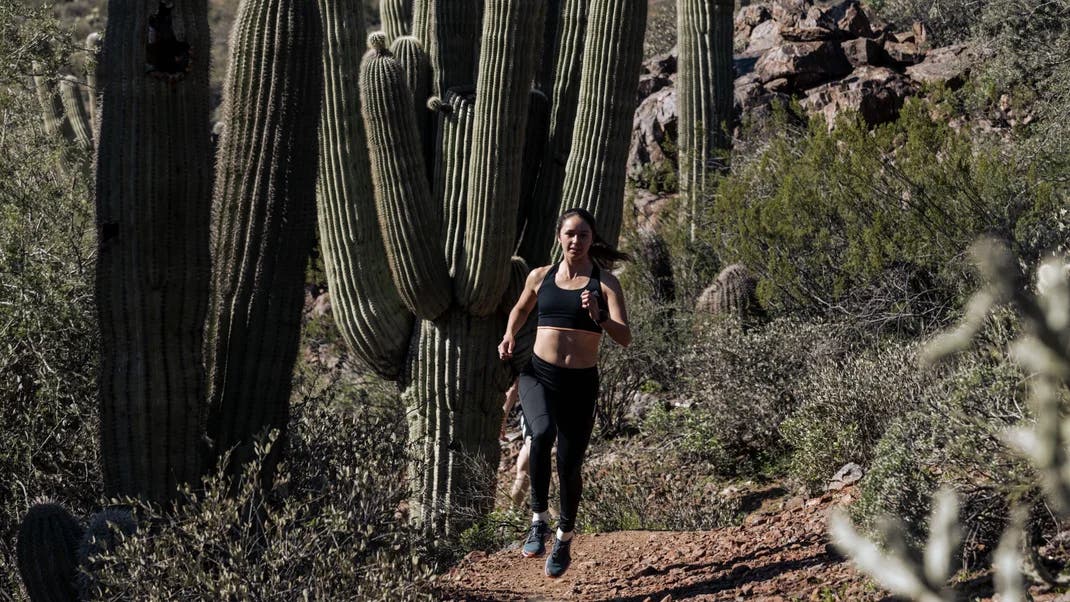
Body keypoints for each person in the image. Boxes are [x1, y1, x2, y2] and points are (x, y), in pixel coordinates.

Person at [498, 208, 632, 578]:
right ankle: (538, 520)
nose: (576, 241)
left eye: (584, 235)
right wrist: (509, 335)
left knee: (569, 466)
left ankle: (563, 538)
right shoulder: (540, 276)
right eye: (570, 233)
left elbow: (624, 337)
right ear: (559, 236)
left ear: (592, 239)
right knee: (541, 434)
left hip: (580, 384)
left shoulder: (605, 283)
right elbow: (520, 308)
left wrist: (600, 317)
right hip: (539, 375)